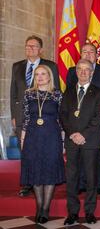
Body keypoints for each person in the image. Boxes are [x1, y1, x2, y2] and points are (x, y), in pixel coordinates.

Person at [10, 35, 59, 197]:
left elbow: (56, 91)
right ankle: (27, 182)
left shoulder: (50, 66)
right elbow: (13, 94)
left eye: (33, 46)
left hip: (46, 117)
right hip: (23, 116)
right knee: (26, 151)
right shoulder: (16, 66)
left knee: (44, 152)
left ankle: (44, 179)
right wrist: (14, 115)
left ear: (41, 49)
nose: (29, 49)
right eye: (27, 46)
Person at [60, 59, 100, 225]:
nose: (83, 72)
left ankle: (89, 212)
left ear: (92, 72)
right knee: (71, 177)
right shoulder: (69, 91)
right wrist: (72, 133)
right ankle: (72, 212)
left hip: (90, 141)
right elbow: (63, 115)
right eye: (80, 69)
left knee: (91, 177)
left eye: (87, 69)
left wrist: (83, 134)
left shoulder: (98, 92)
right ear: (76, 71)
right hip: (72, 141)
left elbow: (99, 117)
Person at [66, 43, 100, 195]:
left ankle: (99, 184)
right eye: (84, 51)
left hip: (99, 120)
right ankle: (81, 183)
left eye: (91, 52)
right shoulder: (73, 71)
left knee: (99, 154)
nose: (87, 54)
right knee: (79, 154)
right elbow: (69, 96)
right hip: (77, 121)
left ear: (97, 54)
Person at [20, 65, 64, 224]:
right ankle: (39, 207)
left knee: (50, 171)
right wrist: (23, 141)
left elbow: (61, 120)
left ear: (49, 76)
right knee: (36, 172)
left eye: (43, 74)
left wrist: (63, 142)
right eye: (37, 74)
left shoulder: (57, 94)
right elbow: (25, 119)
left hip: (52, 137)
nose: (40, 77)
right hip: (32, 137)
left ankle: (45, 209)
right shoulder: (28, 94)